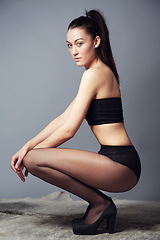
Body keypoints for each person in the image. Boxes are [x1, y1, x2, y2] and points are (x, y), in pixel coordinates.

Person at [11, 9, 141, 235]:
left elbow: (69, 129)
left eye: (79, 43)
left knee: (34, 159)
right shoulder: (98, 72)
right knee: (32, 157)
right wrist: (27, 147)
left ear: (96, 41)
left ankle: (101, 204)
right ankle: (101, 204)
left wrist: (34, 155)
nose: (74, 51)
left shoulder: (94, 75)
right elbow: (62, 119)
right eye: (69, 45)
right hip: (114, 159)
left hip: (122, 165)